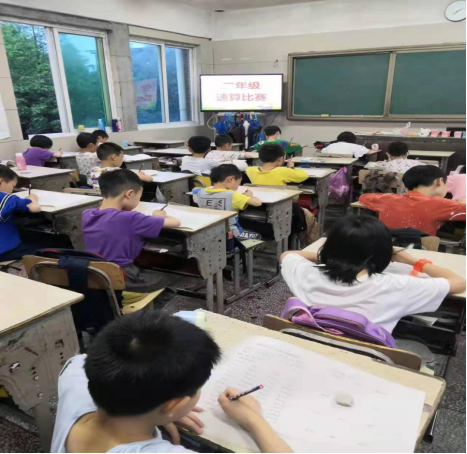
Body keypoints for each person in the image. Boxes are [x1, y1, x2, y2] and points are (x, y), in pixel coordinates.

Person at [51, 311, 292, 454]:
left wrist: (152, 410)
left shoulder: (74, 379)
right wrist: (254, 419)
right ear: (174, 404)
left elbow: (80, 362)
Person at [281, 215, 466, 334]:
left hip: (310, 345)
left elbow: (287, 255)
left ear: (329, 245)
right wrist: (411, 260)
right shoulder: (395, 285)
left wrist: (336, 258)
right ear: (384, 252)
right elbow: (460, 282)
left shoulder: (307, 273)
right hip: (366, 359)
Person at [82, 169, 181, 293]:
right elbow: (175, 222)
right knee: (170, 279)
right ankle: (142, 304)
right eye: (139, 197)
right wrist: (159, 216)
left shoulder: (87, 214)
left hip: (94, 273)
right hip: (123, 276)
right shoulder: (131, 218)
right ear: (129, 194)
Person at [360, 165, 466, 236]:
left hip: (386, 248)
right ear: (439, 181)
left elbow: (364, 197)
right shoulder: (442, 204)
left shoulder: (387, 199)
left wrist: (390, 195)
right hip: (422, 251)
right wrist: (460, 203)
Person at [194, 164, 263, 239]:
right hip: (230, 233)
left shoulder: (200, 192)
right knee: (257, 234)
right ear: (231, 179)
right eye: (238, 184)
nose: (237, 187)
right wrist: (250, 195)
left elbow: (195, 190)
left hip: (208, 229)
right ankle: (240, 238)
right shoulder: (232, 195)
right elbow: (258, 203)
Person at [0, 165, 42, 261]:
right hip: (5, 251)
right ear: (1, 181)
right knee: (40, 246)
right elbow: (35, 208)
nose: (12, 190)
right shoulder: (5, 198)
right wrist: (32, 198)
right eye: (12, 186)